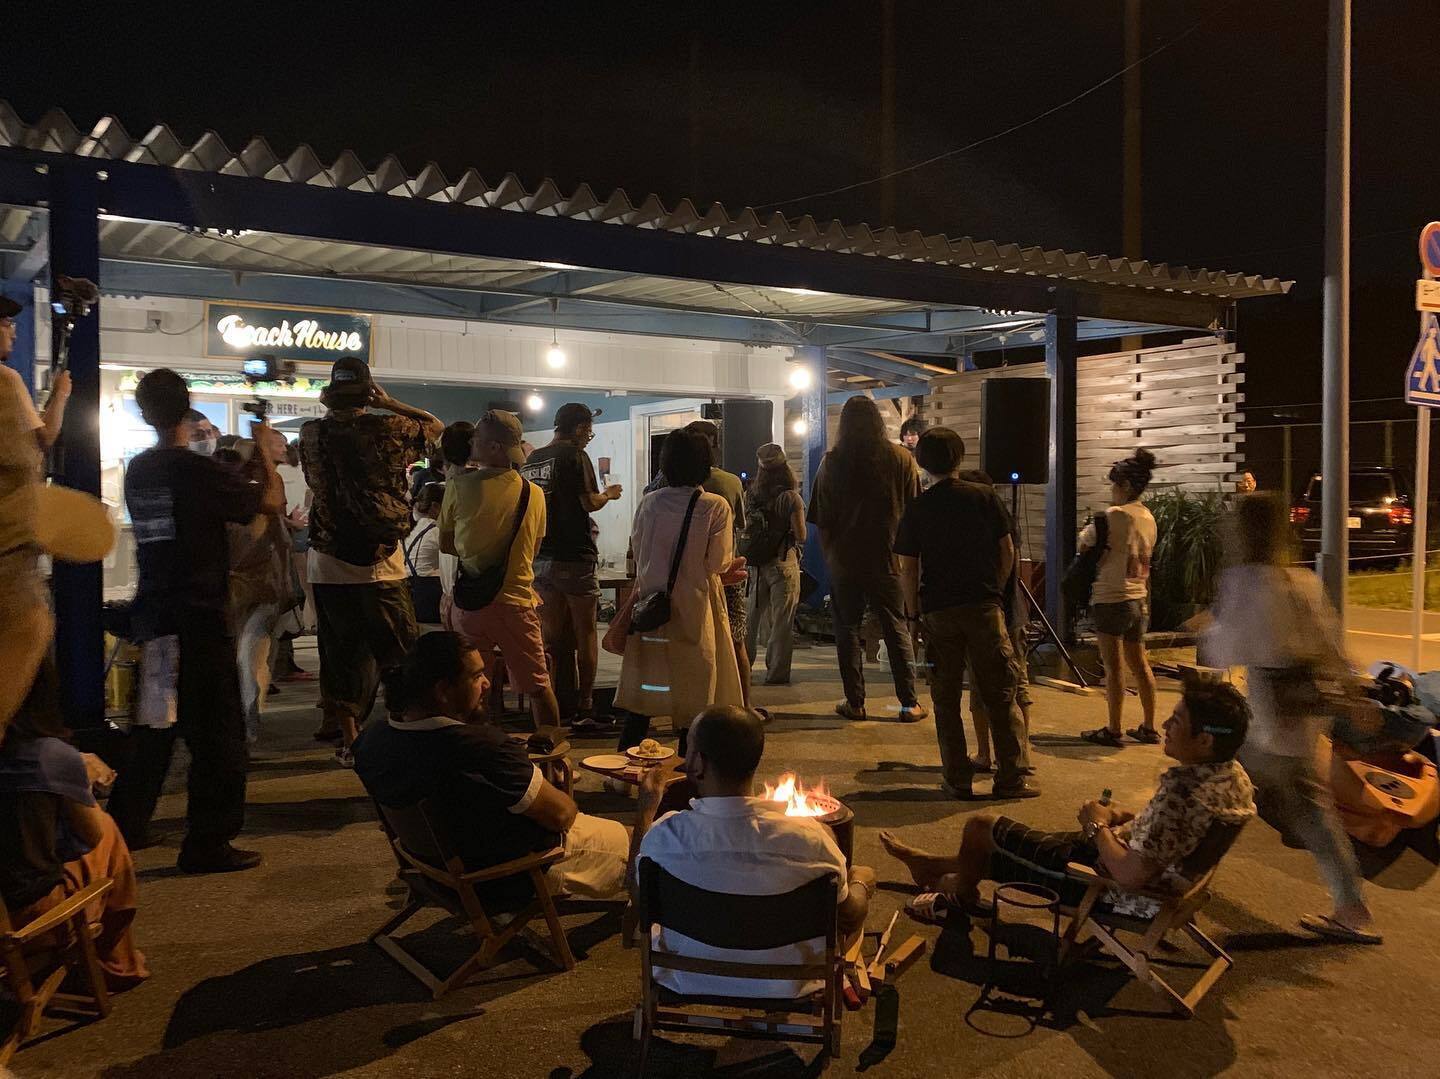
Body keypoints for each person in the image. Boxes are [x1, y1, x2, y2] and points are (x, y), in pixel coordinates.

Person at [881, 681, 1255, 921]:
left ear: (1205, 740)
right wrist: (1124, 818)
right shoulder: (1232, 776)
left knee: (981, 828)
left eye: (1176, 721)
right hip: (1150, 871)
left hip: (1113, 890)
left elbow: (1131, 875)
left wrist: (1096, 825)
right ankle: (930, 867)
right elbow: (1175, 833)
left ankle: (958, 896)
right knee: (1007, 844)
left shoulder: (1183, 793)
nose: (1165, 727)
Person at [105, 369, 283, 873]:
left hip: (156, 613)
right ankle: (208, 842)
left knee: (155, 726)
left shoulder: (140, 470)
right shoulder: (194, 470)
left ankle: (125, 827)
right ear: (186, 409)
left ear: (144, 412)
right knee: (218, 736)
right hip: (200, 616)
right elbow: (268, 502)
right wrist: (263, 450)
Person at [1202, 493, 1380, 943]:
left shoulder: (1243, 581)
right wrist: (1354, 694)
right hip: (1301, 711)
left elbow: (1226, 649)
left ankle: (1169, 871)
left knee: (1214, 783)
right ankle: (1351, 907)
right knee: (1301, 803)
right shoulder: (1301, 581)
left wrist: (1206, 631)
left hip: (1268, 711)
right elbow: (1331, 645)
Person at [353, 632, 629, 901]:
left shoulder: (371, 740)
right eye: (476, 676)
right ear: (443, 691)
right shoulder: (480, 748)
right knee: (643, 841)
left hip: (432, 873)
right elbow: (562, 815)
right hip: (506, 876)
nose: (486, 683)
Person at [634, 705, 875, 998]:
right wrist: (862, 882)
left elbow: (638, 897)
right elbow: (849, 917)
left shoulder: (665, 837)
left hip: (687, 976)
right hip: (790, 984)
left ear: (697, 763)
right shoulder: (812, 841)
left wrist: (646, 808)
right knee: (859, 879)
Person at [297, 358, 443, 765]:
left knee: (338, 655)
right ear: (368, 392)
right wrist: (390, 402)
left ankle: (350, 741)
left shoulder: (310, 433)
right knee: (400, 652)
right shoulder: (387, 427)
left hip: (326, 559)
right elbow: (435, 428)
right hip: (379, 563)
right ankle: (404, 728)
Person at [895, 429, 1037, 800]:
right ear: (959, 458)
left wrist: (912, 615)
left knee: (945, 699)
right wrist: (997, 591)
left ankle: (957, 778)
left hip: (939, 611)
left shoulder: (918, 507)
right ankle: (1010, 778)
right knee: (1000, 694)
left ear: (922, 462)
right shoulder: (984, 497)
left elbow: (908, 568)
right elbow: (1007, 550)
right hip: (984, 607)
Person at [0, 664, 148, 988]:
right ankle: (116, 961)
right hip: (27, 920)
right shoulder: (47, 755)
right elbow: (91, 835)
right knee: (106, 832)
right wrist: (80, 779)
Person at [615, 430, 745, 752]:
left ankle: (626, 760)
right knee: (696, 685)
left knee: (647, 686)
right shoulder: (714, 506)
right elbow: (718, 563)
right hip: (696, 608)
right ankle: (689, 763)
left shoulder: (648, 503)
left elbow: (638, 551)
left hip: (652, 608)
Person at [440, 411, 561, 731]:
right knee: (538, 687)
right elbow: (534, 547)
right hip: (517, 602)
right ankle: (552, 749)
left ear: (494, 447)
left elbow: (447, 545)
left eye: (477, 438)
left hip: (471, 603)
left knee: (469, 686)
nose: (471, 442)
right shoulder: (533, 493)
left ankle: (472, 748)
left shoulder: (457, 487)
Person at [808, 396, 926, 722]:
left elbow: (822, 518)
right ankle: (909, 704)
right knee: (896, 627)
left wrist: (831, 557)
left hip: (845, 560)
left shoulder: (832, 462)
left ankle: (855, 703)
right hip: (889, 559)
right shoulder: (901, 459)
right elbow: (914, 513)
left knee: (846, 630)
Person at [521, 403, 622, 730]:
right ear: (579, 428)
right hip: (574, 556)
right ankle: (586, 705)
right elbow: (589, 502)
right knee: (585, 632)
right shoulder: (575, 456)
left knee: (554, 638)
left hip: (540, 558)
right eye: (588, 431)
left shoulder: (533, 460)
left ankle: (557, 702)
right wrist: (609, 494)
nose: (589, 437)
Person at [1, 294, 71, 734]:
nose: (12, 330)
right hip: (11, 558)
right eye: (5, 323)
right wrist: (60, 394)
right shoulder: (5, 381)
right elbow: (42, 440)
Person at [1079, 448, 1160, 747]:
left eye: (1114, 485)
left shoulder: (1115, 515)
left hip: (1111, 598)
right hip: (1138, 597)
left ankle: (1114, 729)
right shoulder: (1148, 517)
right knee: (1140, 664)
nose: (1112, 491)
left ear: (1124, 486)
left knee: (1113, 668)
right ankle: (1149, 726)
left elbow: (1084, 542)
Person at [224, 435, 299, 745]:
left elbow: (282, 544)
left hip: (257, 591)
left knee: (250, 657)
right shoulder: (251, 502)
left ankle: (247, 724)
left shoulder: (259, 504)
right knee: (247, 658)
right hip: (244, 590)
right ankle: (244, 723)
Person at [959, 468, 1033, 777]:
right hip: (1014, 612)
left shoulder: (972, 528)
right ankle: (1022, 754)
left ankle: (984, 754)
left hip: (987, 614)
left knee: (981, 687)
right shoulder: (1006, 522)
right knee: (1017, 684)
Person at [681, 420, 754, 710]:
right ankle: (744, 707)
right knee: (735, 640)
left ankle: (691, 708)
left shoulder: (662, 487)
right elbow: (740, 525)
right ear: (713, 443)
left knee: (690, 641)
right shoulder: (730, 483)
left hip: (684, 576)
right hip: (726, 571)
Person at [743, 444, 806, 686]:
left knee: (750, 619)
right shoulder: (790, 497)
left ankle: (742, 667)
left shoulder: (751, 495)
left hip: (757, 566)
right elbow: (801, 535)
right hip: (783, 563)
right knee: (782, 621)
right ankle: (776, 673)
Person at [404, 481, 445, 626]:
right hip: (430, 600)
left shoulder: (413, 528)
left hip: (411, 600)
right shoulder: (437, 531)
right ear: (435, 506)